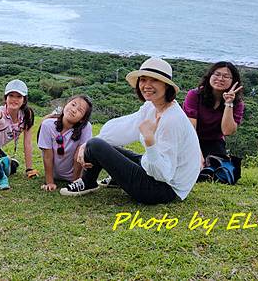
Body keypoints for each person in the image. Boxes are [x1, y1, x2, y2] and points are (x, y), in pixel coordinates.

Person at [60, 57, 201, 205]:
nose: (146, 85)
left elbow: (164, 174)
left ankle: (88, 182)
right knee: (98, 143)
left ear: (167, 85)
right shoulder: (151, 107)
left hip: (164, 189)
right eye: (143, 80)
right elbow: (124, 128)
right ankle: (109, 179)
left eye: (154, 80)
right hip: (157, 174)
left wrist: (149, 141)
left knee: (96, 145)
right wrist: (86, 145)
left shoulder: (172, 120)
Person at [182, 61, 244, 158]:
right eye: (217, 74)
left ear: (234, 81)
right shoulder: (194, 95)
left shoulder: (237, 103)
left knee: (219, 170)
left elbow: (227, 131)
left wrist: (228, 103)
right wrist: (198, 154)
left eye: (226, 76)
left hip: (214, 142)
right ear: (210, 76)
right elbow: (190, 129)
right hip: (189, 139)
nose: (220, 79)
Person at [38, 95, 93, 192]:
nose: (73, 110)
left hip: (76, 175)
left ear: (82, 119)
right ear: (66, 105)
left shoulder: (86, 127)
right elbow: (47, 155)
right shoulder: (47, 125)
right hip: (55, 175)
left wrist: (75, 182)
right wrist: (50, 182)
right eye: (73, 104)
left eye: (80, 110)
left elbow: (78, 155)